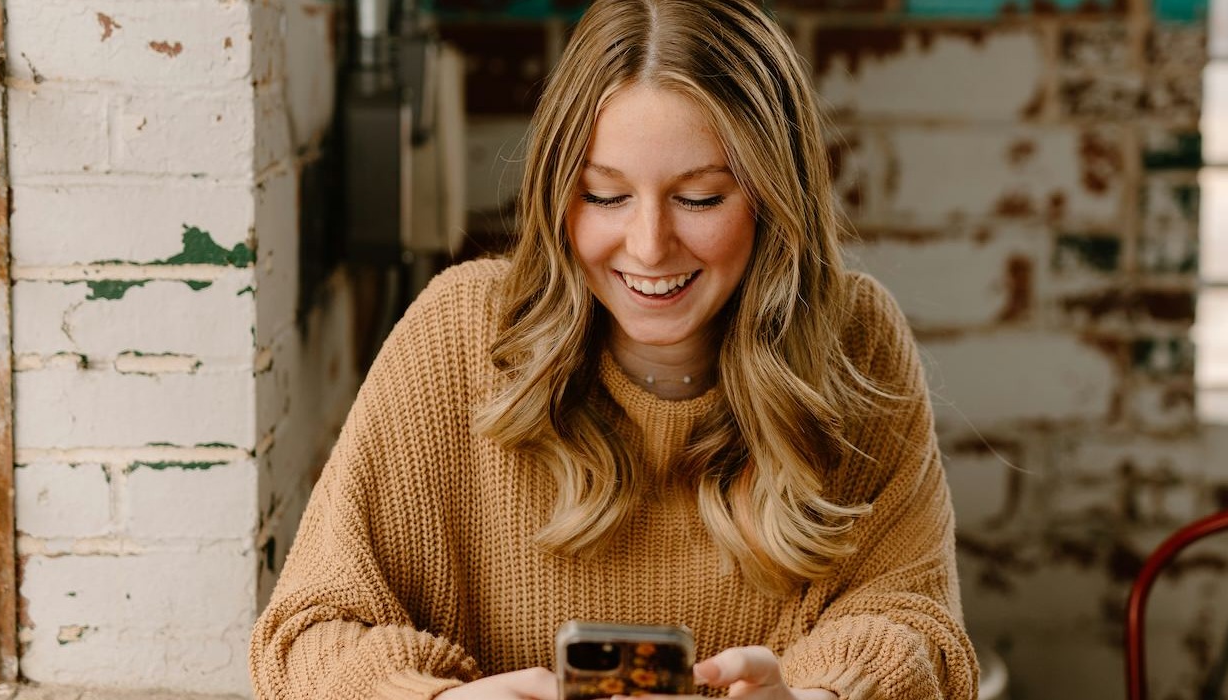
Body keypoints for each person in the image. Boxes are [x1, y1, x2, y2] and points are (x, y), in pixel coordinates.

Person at [248, 1, 977, 698]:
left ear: (775, 203)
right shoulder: (459, 333)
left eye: (699, 199)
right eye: (604, 196)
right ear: (557, 193)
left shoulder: (857, 341)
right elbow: (306, 633)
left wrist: (818, 697)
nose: (649, 246)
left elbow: (923, 636)